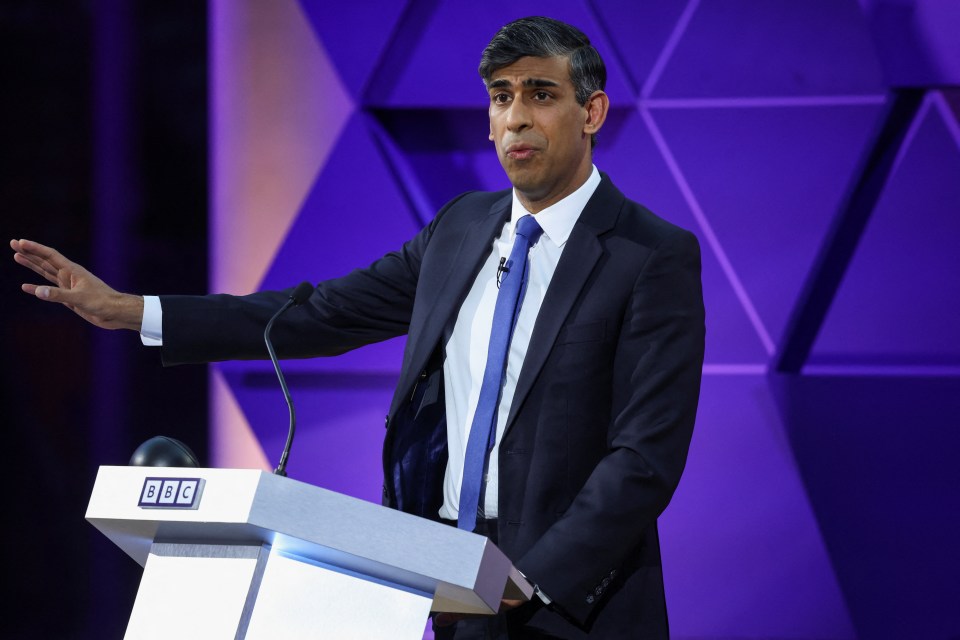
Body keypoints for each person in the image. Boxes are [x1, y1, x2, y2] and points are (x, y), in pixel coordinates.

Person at [12, 16, 704, 639]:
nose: (516, 118)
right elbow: (318, 313)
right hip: (449, 588)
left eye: (540, 95)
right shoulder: (460, 230)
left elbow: (643, 459)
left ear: (592, 112)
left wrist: (526, 585)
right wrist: (135, 311)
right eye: (501, 97)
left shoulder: (652, 255)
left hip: (577, 605)